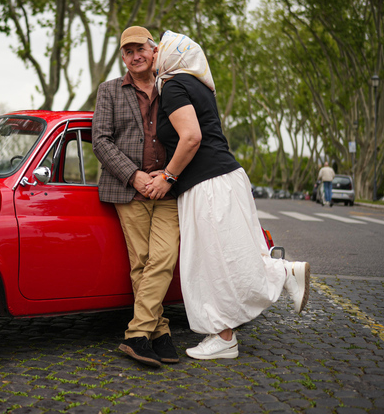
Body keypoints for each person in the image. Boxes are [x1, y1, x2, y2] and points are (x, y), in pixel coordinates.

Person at [145, 30, 310, 360]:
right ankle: (229, 331)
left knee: (211, 263)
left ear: (171, 56)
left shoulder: (174, 85)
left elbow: (191, 138)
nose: (152, 55)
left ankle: (232, 328)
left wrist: (167, 176)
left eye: (155, 49)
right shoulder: (198, 85)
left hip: (208, 184)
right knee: (226, 258)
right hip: (223, 179)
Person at [92, 26, 180, 368]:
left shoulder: (171, 86)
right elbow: (101, 141)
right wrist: (135, 176)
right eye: (128, 52)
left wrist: (167, 176)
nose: (135, 56)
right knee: (142, 263)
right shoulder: (110, 90)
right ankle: (159, 333)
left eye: (139, 49)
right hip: (128, 190)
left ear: (153, 50)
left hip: (168, 187)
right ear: (123, 58)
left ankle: (137, 334)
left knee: (163, 258)